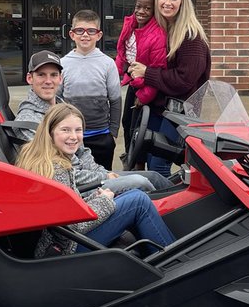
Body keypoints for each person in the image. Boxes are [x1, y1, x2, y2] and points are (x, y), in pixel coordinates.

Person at [16, 103, 177, 258]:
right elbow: (73, 226)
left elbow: (71, 210)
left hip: (63, 241)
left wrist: (97, 198)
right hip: (66, 248)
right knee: (138, 201)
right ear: (50, 132)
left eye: (78, 130)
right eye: (65, 130)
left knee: (133, 195)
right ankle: (172, 259)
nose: (73, 137)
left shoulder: (47, 160)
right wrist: (104, 201)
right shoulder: (56, 169)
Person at [13, 50, 171, 193]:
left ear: (60, 79)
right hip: (74, 189)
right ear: (29, 78)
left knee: (154, 176)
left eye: (53, 75)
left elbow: (82, 152)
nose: (48, 81)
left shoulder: (61, 107)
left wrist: (103, 172)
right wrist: (102, 177)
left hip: (89, 177)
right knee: (140, 182)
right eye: (41, 75)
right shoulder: (29, 121)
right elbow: (56, 173)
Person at [126, 0, 211, 174]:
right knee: (145, 157)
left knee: (159, 163)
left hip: (179, 112)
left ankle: (164, 195)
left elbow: (184, 80)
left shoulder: (191, 36)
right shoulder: (163, 30)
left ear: (183, 2)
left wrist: (147, 72)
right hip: (159, 108)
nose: (167, 2)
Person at [60, 10, 121, 170]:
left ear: (99, 35)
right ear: (72, 34)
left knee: (104, 179)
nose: (85, 35)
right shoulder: (63, 64)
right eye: (80, 30)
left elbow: (115, 100)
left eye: (91, 31)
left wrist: (113, 133)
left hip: (101, 135)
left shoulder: (108, 64)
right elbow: (57, 101)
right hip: (71, 137)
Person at [114, 0, 168, 141]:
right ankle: (128, 153)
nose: (141, 11)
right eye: (138, 6)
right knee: (126, 122)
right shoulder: (130, 24)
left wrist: (144, 96)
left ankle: (135, 156)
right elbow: (122, 52)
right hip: (133, 81)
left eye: (147, 8)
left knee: (137, 128)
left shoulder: (157, 35)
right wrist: (113, 73)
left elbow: (157, 69)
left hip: (146, 86)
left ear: (154, 11)